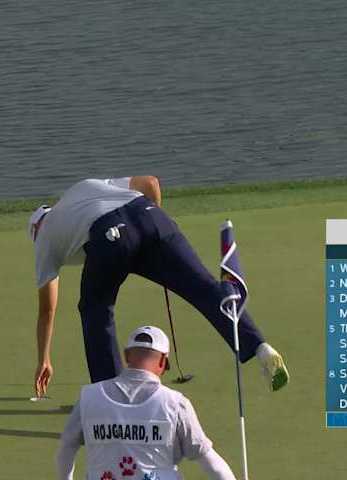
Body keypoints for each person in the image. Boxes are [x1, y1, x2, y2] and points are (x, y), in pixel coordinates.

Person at [30, 176, 288, 395]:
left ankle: (112, 400)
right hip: (152, 217)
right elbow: (151, 182)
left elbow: (47, 310)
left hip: (110, 237)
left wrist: (44, 359)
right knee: (204, 287)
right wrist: (158, 236)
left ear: (36, 227)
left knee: (95, 310)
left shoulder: (43, 237)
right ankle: (259, 346)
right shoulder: (82, 188)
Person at [56, 326, 237, 480]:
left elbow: (66, 447)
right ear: (163, 360)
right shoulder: (175, 404)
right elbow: (210, 462)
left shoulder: (89, 396)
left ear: (127, 356)